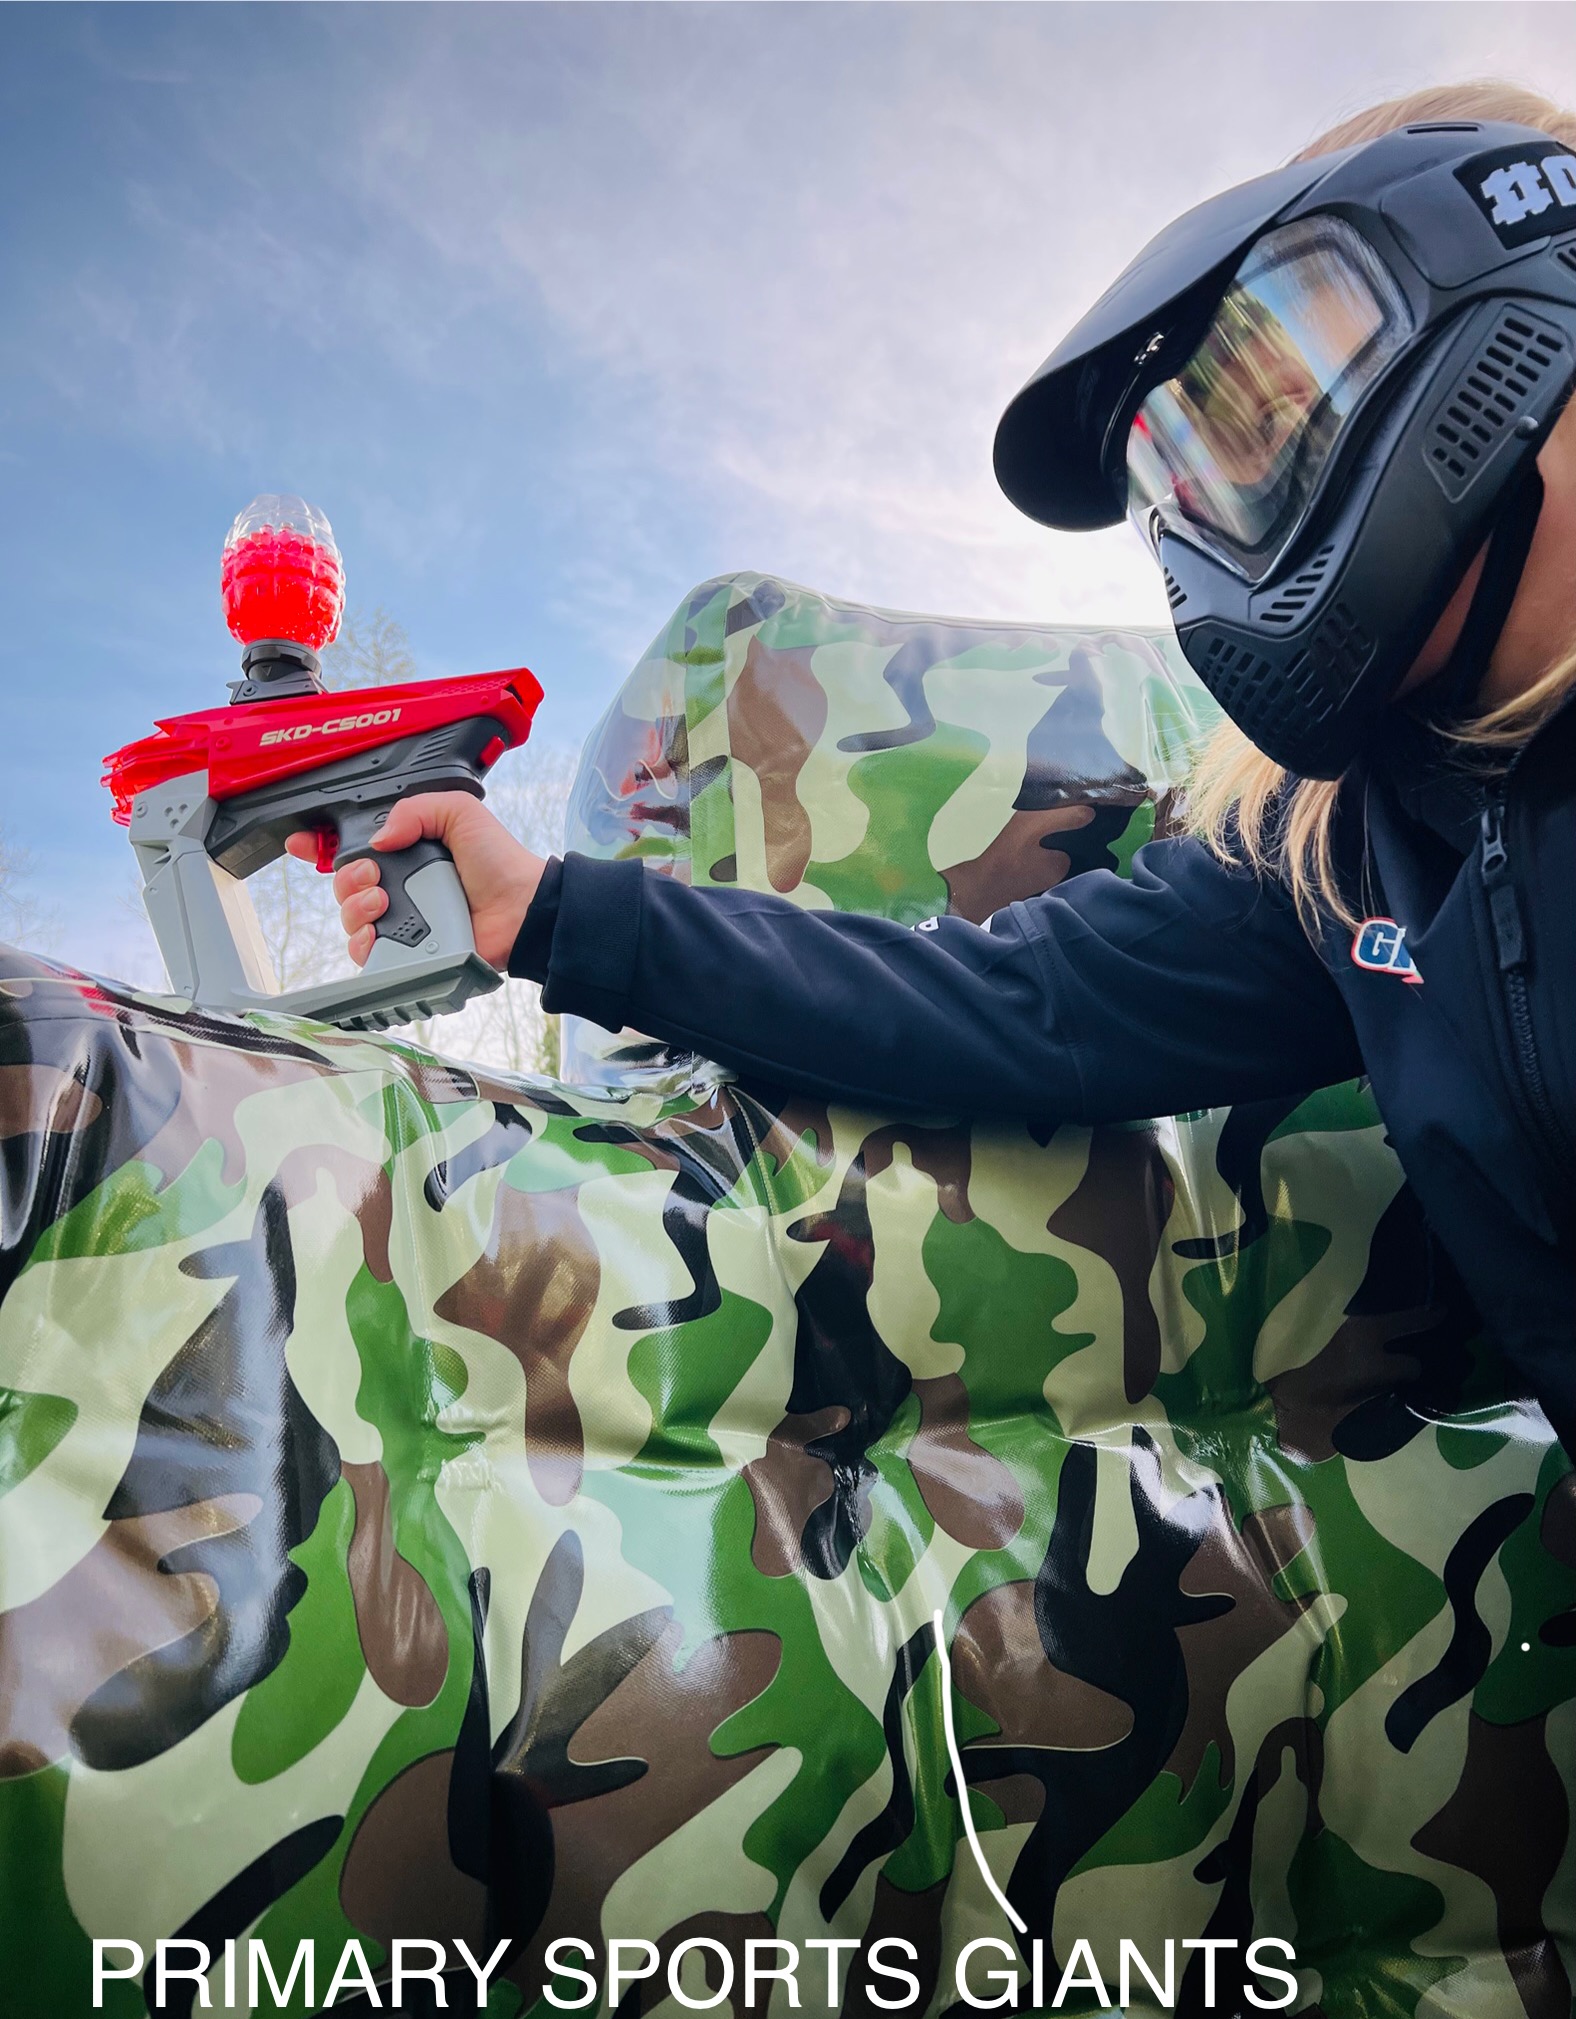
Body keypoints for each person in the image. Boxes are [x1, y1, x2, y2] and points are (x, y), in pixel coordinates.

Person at [291, 83, 1576, 1451]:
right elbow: (1005, 997)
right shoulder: (1343, 864)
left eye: (1272, 414)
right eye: (1188, 490)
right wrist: (546, 909)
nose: (1228, 524)